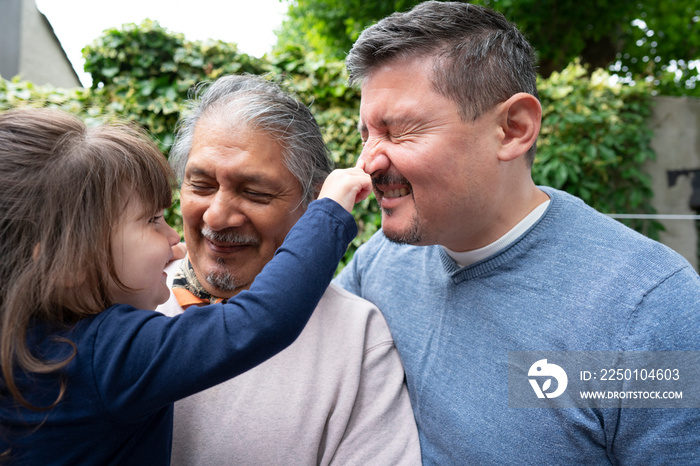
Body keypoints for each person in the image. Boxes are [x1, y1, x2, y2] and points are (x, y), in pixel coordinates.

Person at [335, 1, 700, 464]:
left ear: (513, 129)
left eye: (399, 131)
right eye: (366, 132)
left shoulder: (649, 309)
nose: (368, 161)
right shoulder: (379, 264)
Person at [0, 107, 371, 464]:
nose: (173, 236)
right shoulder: (110, 353)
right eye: (152, 220)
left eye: (254, 192)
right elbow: (260, 319)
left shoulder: (18, 341)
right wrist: (329, 211)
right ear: (69, 262)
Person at [157, 74, 421, 465]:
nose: (217, 215)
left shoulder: (358, 338)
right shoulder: (118, 299)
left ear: (315, 202)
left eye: (255, 193)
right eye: (201, 185)